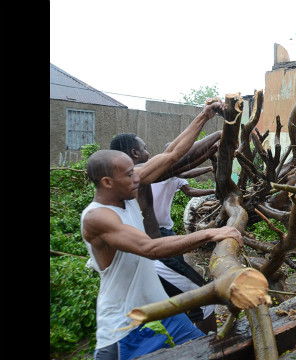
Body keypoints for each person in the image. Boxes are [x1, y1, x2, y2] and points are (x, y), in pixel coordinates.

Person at [83, 100, 244, 360]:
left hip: (163, 309)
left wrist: (205, 115)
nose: (139, 177)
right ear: (107, 182)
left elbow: (171, 155)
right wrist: (209, 233)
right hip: (126, 325)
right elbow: (149, 248)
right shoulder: (98, 218)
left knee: (207, 352)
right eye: (129, 175)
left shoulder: (126, 187)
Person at [111, 136, 219, 334]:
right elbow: (177, 158)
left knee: (171, 302)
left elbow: (181, 163)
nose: (148, 152)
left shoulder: (124, 176)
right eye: (144, 148)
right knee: (206, 299)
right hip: (152, 256)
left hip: (149, 251)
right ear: (134, 153)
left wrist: (210, 150)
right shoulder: (134, 175)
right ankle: (211, 348)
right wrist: (219, 133)